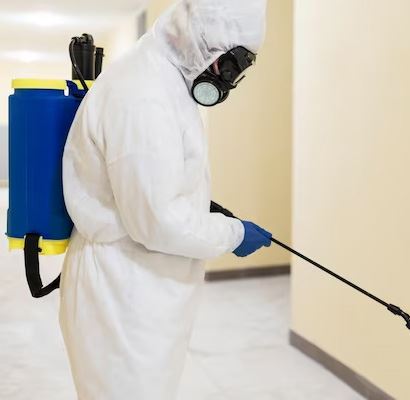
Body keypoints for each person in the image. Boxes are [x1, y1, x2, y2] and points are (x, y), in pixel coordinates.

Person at [59, 0, 269, 398]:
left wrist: (199, 205)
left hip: (143, 292)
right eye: (227, 64)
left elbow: (154, 181)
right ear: (203, 39)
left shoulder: (165, 76)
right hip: (122, 296)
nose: (226, 79)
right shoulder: (143, 93)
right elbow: (157, 222)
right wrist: (233, 233)